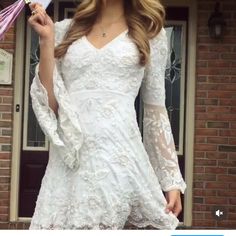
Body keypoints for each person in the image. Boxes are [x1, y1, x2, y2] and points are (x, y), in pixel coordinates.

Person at [28, 0, 186, 230]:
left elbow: (155, 112)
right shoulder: (63, 31)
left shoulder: (151, 34)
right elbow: (51, 104)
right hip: (70, 163)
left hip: (120, 160)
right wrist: (46, 41)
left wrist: (171, 180)